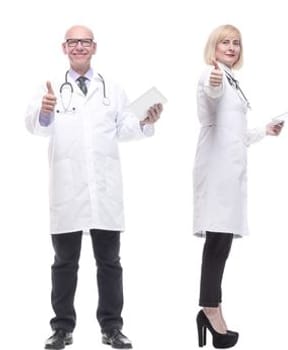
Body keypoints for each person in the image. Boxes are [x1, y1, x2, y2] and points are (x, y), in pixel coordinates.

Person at [28, 24, 165, 350]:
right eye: (73, 42)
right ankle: (62, 328)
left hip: (103, 189)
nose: (79, 47)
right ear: (64, 48)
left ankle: (112, 328)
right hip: (68, 189)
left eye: (84, 42)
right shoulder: (51, 87)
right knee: (64, 262)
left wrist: (146, 121)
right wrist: (45, 112)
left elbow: (126, 128)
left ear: (94, 47)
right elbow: (36, 127)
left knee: (110, 262)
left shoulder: (112, 88)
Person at [192, 23, 283, 349]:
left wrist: (266, 130)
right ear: (213, 47)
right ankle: (210, 309)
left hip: (230, 168)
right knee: (217, 241)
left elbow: (238, 134)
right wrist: (215, 84)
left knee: (223, 241)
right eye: (225, 43)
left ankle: (211, 307)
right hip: (217, 168)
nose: (231, 47)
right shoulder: (211, 75)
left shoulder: (232, 79)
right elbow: (211, 96)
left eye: (236, 43)